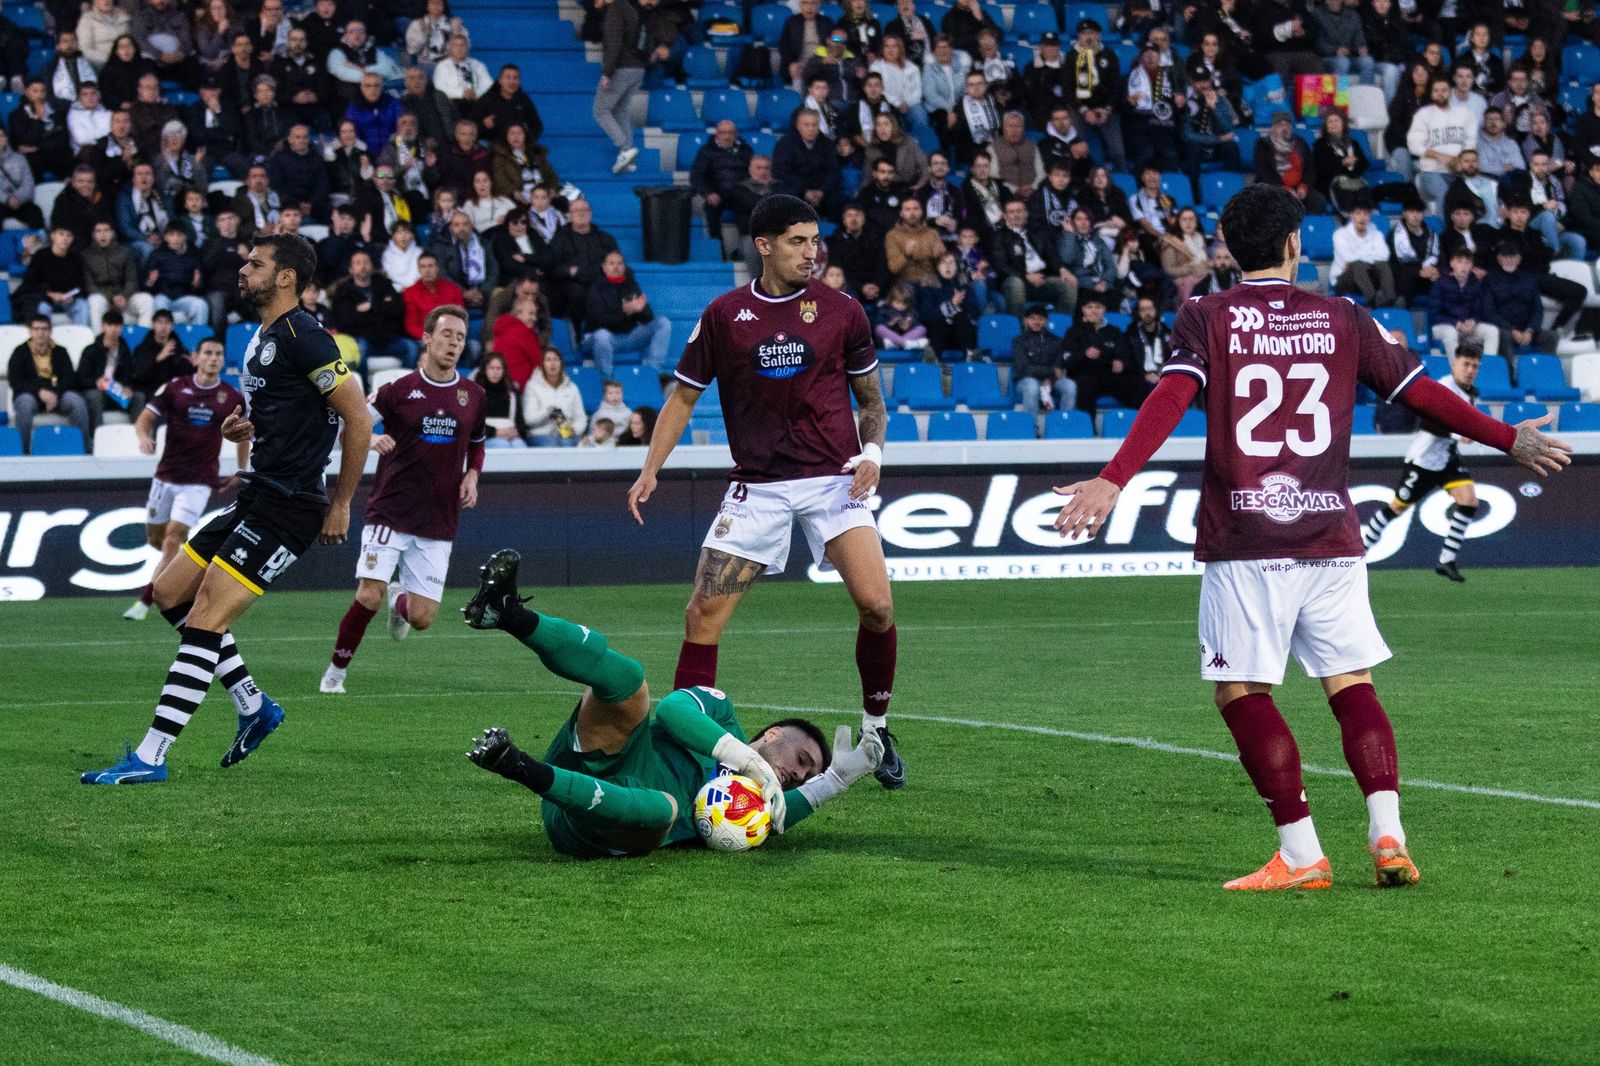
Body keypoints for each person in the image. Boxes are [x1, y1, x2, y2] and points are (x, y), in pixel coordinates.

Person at [1052, 182, 1571, 890]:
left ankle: (1300, 853)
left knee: (1241, 691)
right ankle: (1388, 834)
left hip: (1247, 535)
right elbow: (1424, 393)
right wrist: (1507, 436)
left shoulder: (1205, 315)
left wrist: (1114, 477)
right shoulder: (1343, 317)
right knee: (1350, 682)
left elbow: (1171, 396)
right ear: (1296, 243)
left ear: (1230, 250)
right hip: (1331, 533)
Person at [626, 194, 905, 789]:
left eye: (815, 240)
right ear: (764, 246)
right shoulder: (725, 315)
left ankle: (877, 729)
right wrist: (651, 468)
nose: (812, 252)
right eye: (798, 241)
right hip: (760, 486)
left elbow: (872, 401)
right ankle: (686, 750)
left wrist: (873, 455)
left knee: (878, 605)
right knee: (702, 615)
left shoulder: (843, 311)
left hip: (834, 480)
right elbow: (682, 397)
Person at [80, 233, 373, 784]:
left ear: (286, 276)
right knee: (170, 594)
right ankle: (253, 705)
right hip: (256, 492)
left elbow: (358, 419)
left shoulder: (308, 336)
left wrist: (342, 504)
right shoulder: (261, 335)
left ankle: (151, 757)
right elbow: (291, 411)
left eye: (256, 263)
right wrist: (246, 426)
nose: (243, 268)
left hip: (291, 507)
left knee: (206, 619)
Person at [457, 549, 884, 858]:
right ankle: (506, 614)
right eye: (803, 758)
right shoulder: (723, 718)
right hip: (596, 758)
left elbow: (785, 811)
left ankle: (519, 767)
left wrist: (834, 781)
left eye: (805, 773)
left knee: (665, 808)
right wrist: (745, 760)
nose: (798, 774)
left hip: (594, 827)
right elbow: (673, 710)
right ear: (772, 734)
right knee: (630, 682)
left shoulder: (755, 803)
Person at [321, 305, 484, 694]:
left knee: (423, 618)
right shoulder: (398, 391)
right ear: (427, 338)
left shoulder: (473, 395)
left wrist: (473, 475)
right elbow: (351, 428)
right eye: (446, 335)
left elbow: (477, 443)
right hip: (390, 510)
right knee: (367, 594)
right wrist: (372, 438)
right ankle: (336, 674)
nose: (453, 343)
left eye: (460, 338)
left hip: (439, 517)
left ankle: (401, 602)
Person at [124, 338, 247, 621]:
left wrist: (242, 468)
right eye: (208, 353)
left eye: (218, 353)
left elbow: (243, 434)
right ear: (195, 357)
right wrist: (144, 436)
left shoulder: (230, 397)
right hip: (166, 476)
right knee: (156, 539)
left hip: (200, 481)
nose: (213, 358)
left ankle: (145, 601)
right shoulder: (175, 388)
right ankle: (194, 570)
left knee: (172, 537)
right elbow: (144, 419)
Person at [1361, 343, 1488, 583]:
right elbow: (1428, 423)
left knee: (1469, 501)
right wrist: (1457, 435)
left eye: (1475, 366)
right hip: (1424, 460)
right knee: (1398, 507)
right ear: (1454, 364)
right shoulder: (1443, 388)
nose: (1470, 370)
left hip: (1446, 457)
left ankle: (1446, 560)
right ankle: (1361, 551)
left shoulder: (1472, 393)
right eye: (1466, 364)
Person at [8, 314, 92, 453]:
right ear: (30, 331)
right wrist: (40, 392)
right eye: (36, 329)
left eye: (44, 329)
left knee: (76, 401)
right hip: (31, 395)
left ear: (51, 330)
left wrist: (54, 394)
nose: (41, 333)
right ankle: (23, 451)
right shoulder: (20, 352)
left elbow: (69, 378)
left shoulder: (60, 351)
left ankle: (83, 447)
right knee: (24, 403)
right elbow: (16, 380)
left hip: (58, 395)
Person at [581, 251, 672, 375]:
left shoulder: (632, 285)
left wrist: (641, 311)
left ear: (624, 266)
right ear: (604, 267)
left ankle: (652, 372)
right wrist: (624, 312)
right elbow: (597, 320)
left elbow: (648, 318)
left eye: (620, 263)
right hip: (603, 338)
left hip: (628, 336)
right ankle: (607, 380)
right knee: (601, 335)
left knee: (663, 323)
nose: (616, 267)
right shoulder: (595, 288)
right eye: (611, 263)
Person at [1064, 293, 1148, 412]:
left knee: (1139, 385)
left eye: (1098, 307)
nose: (1094, 311)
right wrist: (1084, 354)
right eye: (1089, 307)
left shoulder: (1114, 331)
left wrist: (1121, 363)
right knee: (1085, 386)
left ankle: (1140, 427)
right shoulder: (1073, 331)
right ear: (1083, 309)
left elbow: (1127, 357)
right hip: (1085, 375)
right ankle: (1090, 428)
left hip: (1110, 375)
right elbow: (1067, 360)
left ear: (1104, 309)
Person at [595, 0, 652, 174]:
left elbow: (614, 43)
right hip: (637, 69)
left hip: (621, 68)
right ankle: (628, 159)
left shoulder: (616, 9)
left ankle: (626, 149)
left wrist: (607, 72)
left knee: (600, 110)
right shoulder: (633, 8)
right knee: (621, 110)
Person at [1408, 77, 1477, 212]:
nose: (1440, 93)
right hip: (1431, 172)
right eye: (1436, 90)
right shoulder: (1423, 114)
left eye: (1444, 90)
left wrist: (1459, 161)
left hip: (1460, 172)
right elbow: (1414, 145)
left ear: (1450, 92)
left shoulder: (1464, 113)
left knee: (1473, 197)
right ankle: (1444, 232)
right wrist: (1439, 156)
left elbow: (1470, 143)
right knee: (1446, 196)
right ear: (1431, 93)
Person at [1429, 247, 1499, 357]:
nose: (1464, 266)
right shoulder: (1440, 283)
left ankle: (1486, 370)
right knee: (1450, 332)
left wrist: (1473, 321)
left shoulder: (1475, 283)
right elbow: (1434, 314)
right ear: (1452, 263)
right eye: (1459, 262)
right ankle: (1457, 370)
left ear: (1472, 266)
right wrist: (1455, 323)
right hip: (1444, 326)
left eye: (1467, 263)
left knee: (1492, 331)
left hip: (1467, 327)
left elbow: (1480, 309)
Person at [1331, 200, 1397, 306]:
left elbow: (1384, 255)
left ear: (1369, 216)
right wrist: (1371, 256)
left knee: (1383, 265)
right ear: (1352, 216)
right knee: (1357, 265)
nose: (1362, 218)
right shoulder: (1340, 235)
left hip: (1369, 276)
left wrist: (1360, 256)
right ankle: (1373, 300)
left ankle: (1390, 299)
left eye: (1365, 214)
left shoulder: (1376, 234)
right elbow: (1348, 258)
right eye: (1358, 213)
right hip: (1345, 278)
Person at [1010, 303, 1073, 415]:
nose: (1036, 322)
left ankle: (1064, 425)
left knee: (1069, 385)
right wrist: (1049, 373)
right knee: (1032, 385)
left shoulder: (1057, 341)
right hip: (1025, 382)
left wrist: (1050, 379)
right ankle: (1031, 428)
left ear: (1046, 321)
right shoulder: (1019, 341)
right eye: (1032, 318)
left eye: (1040, 319)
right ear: (1026, 320)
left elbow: (1058, 368)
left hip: (1051, 382)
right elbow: (1024, 369)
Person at [475, 351, 527, 448]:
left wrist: (515, 432)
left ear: (503, 371)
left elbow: (521, 423)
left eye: (498, 368)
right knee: (502, 445)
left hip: (511, 436)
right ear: (485, 370)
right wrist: (495, 432)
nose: (495, 372)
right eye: (491, 368)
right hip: (486, 437)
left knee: (520, 446)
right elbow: (473, 424)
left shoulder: (512, 394)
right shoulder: (476, 393)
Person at [1126, 295, 1173, 384]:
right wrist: (1144, 375)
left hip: (1166, 377)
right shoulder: (1130, 335)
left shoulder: (1168, 333)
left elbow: (1174, 358)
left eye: (1150, 308)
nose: (1147, 313)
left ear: (1156, 310)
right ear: (1138, 312)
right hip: (1140, 379)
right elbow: (1128, 364)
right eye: (1143, 309)